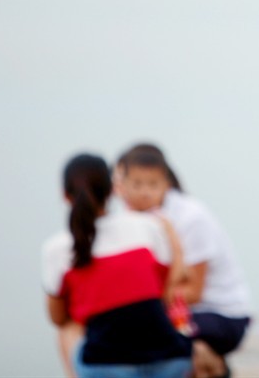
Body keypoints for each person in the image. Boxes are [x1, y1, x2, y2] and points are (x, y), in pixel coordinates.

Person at [41, 154, 192, 378]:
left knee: (68, 327)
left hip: (107, 367)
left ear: (65, 195)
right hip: (170, 360)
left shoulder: (57, 248)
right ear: (112, 190)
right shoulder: (147, 227)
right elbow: (167, 284)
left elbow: (58, 317)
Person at [115, 144, 251, 378]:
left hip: (222, 316)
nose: (121, 190)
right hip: (182, 311)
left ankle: (215, 368)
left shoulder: (189, 216)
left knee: (148, 332)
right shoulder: (134, 220)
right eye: (132, 183)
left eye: (148, 183)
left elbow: (193, 292)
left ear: (164, 182)